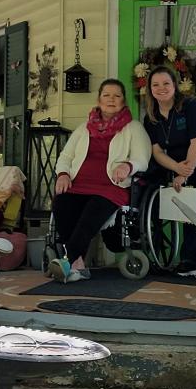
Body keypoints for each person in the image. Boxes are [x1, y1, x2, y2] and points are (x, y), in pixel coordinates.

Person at [50, 79, 152, 283]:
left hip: (111, 187)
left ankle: (67, 260)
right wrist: (63, 174)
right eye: (107, 95)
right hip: (78, 185)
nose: (111, 99)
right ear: (99, 99)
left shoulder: (133, 127)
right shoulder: (83, 128)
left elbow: (143, 158)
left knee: (92, 211)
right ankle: (78, 264)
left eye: (117, 96)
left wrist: (128, 166)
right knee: (61, 203)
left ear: (124, 101)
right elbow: (66, 156)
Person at [143, 66, 196, 281]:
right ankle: (190, 259)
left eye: (166, 83)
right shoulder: (151, 117)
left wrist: (184, 174)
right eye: (156, 84)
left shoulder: (191, 107)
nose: (161, 88)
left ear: (174, 86)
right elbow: (157, 151)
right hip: (181, 164)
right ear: (150, 89)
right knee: (187, 207)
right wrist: (176, 168)